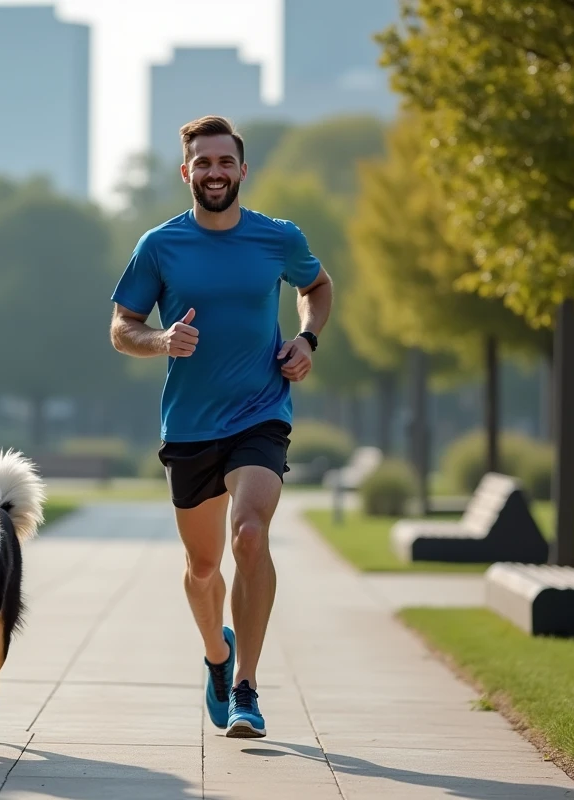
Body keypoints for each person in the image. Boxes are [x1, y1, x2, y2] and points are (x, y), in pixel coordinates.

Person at [108, 115, 332, 738]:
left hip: (261, 412)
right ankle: (217, 654)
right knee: (203, 567)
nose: (214, 172)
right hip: (190, 426)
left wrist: (308, 338)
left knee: (251, 535)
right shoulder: (160, 246)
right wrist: (160, 339)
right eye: (202, 163)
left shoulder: (277, 237)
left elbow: (318, 284)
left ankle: (246, 689)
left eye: (224, 162)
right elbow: (123, 328)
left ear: (242, 169)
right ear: (186, 172)